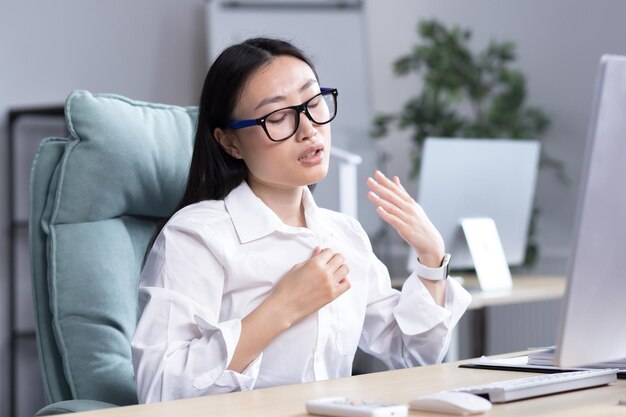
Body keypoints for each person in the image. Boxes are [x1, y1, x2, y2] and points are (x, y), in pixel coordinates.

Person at [131, 37, 471, 404]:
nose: (309, 129)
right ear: (230, 142)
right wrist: (282, 307)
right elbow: (160, 388)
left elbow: (412, 354)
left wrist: (432, 258)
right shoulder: (196, 236)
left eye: (313, 103)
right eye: (278, 117)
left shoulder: (344, 235)